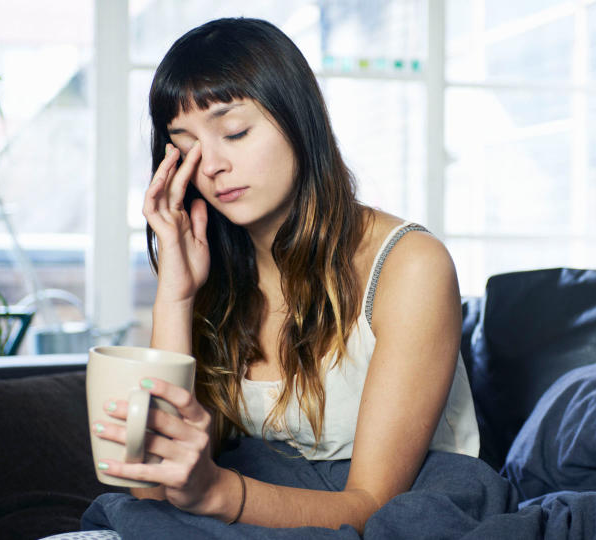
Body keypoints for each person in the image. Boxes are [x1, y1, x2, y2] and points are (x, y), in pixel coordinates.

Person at [82, 17, 479, 535]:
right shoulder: (216, 273)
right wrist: (176, 296)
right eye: (187, 145)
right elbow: (149, 480)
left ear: (298, 119)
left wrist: (218, 492)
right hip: (261, 513)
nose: (212, 166)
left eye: (235, 131)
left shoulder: (411, 265)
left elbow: (372, 507)